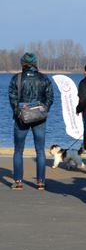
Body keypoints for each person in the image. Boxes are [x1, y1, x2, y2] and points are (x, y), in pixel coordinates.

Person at [8, 52, 54, 190]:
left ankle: (18, 182)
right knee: (40, 150)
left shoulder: (17, 78)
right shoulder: (44, 78)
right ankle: (40, 182)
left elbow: (12, 98)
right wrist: (44, 110)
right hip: (39, 117)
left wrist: (18, 113)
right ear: (35, 63)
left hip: (21, 118)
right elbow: (50, 97)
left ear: (23, 63)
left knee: (18, 150)